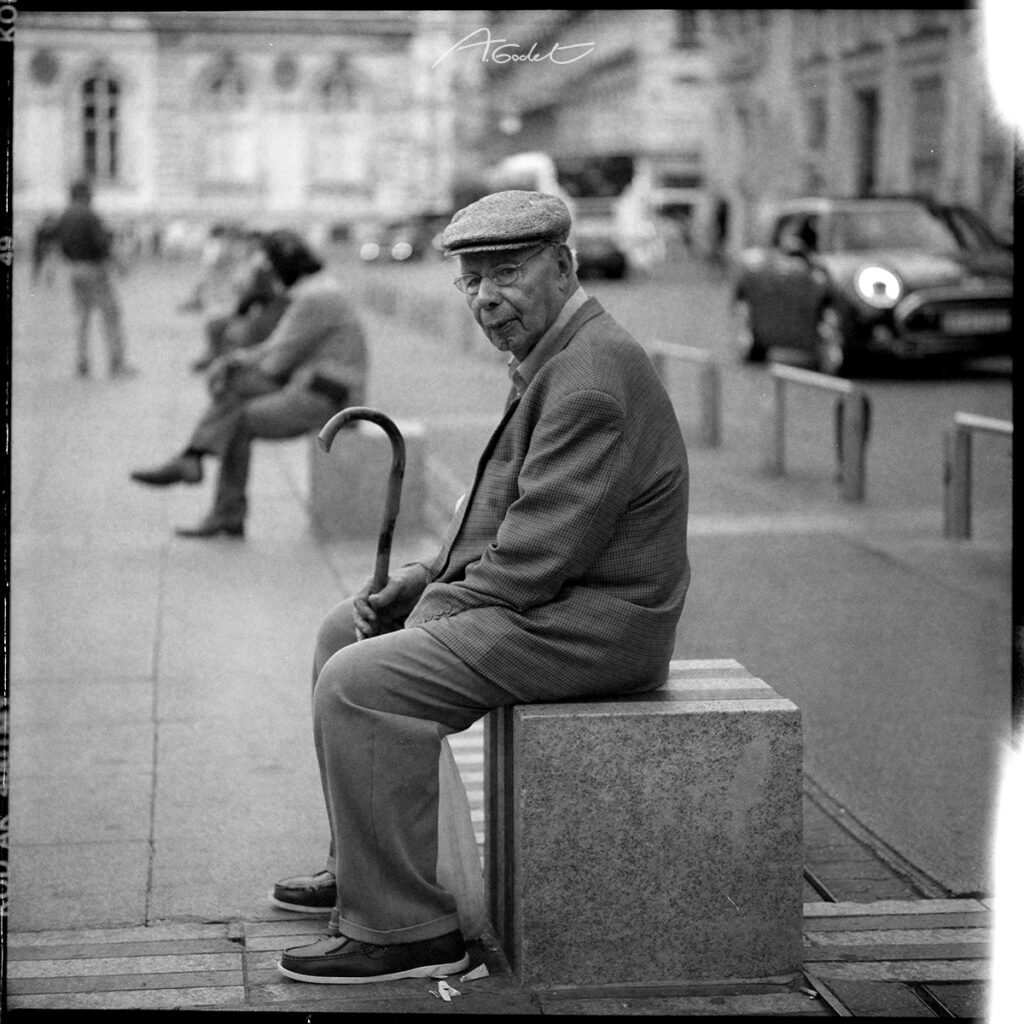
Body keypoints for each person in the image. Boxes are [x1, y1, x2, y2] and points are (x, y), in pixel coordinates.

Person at [269, 190, 691, 985]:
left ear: (563, 265)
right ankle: (366, 866)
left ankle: (407, 929)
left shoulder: (589, 379)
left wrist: (426, 617)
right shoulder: (555, 355)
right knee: (343, 629)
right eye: (471, 281)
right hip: (562, 602)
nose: (486, 299)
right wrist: (426, 580)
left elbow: (531, 561)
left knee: (363, 680)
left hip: (597, 625)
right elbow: (507, 516)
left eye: (507, 273)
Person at [129, 229, 367, 538]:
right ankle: (197, 466)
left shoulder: (315, 298)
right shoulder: (319, 291)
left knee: (237, 415)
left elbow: (276, 360)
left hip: (329, 398)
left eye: (268, 266)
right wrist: (233, 362)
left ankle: (206, 479)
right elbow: (278, 349)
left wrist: (232, 363)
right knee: (234, 392)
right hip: (318, 386)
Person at [53, 179, 137, 378]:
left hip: (75, 270)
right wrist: (119, 264)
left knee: (82, 317)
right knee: (110, 316)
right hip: (95, 271)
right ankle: (116, 363)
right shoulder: (89, 216)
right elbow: (102, 245)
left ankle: (81, 361)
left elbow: (61, 246)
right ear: (85, 195)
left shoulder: (64, 216)